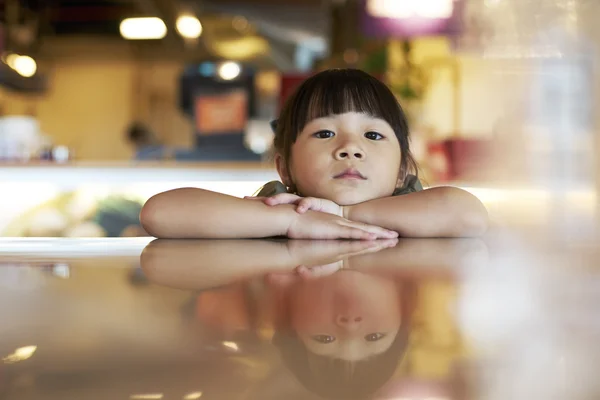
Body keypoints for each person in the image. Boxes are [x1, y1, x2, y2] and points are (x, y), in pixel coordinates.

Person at [139, 69, 488, 239]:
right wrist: (293, 220)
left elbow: (468, 214)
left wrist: (345, 212)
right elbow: (160, 212)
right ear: (285, 169)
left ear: (401, 172)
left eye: (372, 134)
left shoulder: (409, 202)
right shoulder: (285, 204)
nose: (350, 147)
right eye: (324, 133)